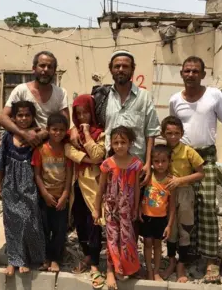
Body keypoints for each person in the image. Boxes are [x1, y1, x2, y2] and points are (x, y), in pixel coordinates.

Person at [168, 56, 222, 282]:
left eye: (196, 71)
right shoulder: (175, 100)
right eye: (187, 71)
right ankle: (189, 253)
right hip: (182, 159)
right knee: (185, 206)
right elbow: (172, 129)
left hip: (206, 158)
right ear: (182, 74)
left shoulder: (214, 95)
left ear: (203, 74)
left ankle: (211, 258)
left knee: (207, 208)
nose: (191, 74)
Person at [70, 50, 160, 186]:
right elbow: (87, 119)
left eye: (125, 66)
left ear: (133, 69)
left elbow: (151, 132)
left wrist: (148, 163)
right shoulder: (102, 97)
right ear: (111, 69)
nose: (121, 69)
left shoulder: (144, 96)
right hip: (109, 166)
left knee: (135, 205)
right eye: (117, 66)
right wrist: (74, 129)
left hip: (137, 168)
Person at [0, 101, 46, 276]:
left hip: (29, 184)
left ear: (33, 117)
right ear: (14, 118)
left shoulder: (37, 137)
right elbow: (0, 163)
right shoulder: (8, 137)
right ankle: (14, 260)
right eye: (20, 115)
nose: (23, 119)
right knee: (11, 222)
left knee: (29, 220)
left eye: (27, 115)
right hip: (10, 184)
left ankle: (31, 257)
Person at [93, 126, 143, 290]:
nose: (119, 146)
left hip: (127, 210)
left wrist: (136, 208)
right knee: (112, 238)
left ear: (130, 143)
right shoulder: (107, 164)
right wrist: (96, 209)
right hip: (111, 209)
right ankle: (110, 270)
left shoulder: (136, 164)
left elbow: (136, 188)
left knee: (127, 238)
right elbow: (100, 189)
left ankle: (127, 268)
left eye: (123, 142)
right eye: (116, 142)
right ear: (111, 144)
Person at [65, 94, 106, 288]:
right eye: (78, 114)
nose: (82, 118)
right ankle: (87, 255)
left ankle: (96, 263)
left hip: (93, 186)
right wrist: (88, 159)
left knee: (94, 222)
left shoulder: (100, 133)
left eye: (85, 113)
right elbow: (68, 151)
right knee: (80, 221)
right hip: (77, 184)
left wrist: (88, 134)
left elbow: (99, 154)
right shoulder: (71, 134)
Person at [159, 116, 205, 283]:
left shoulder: (188, 151)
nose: (172, 136)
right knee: (170, 230)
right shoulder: (161, 151)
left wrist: (180, 180)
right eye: (169, 133)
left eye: (176, 133)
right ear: (163, 134)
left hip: (185, 193)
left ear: (182, 133)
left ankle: (181, 265)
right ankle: (171, 261)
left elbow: (201, 172)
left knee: (185, 229)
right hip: (166, 194)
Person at [0, 51, 70, 148]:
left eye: (50, 67)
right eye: (42, 65)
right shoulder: (21, 90)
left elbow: (66, 123)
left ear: (54, 71)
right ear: (34, 68)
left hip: (50, 149)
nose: (45, 69)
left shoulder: (61, 93)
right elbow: (3, 118)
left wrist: (45, 132)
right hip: (23, 148)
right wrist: (24, 133)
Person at [32, 113, 73, 273]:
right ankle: (45, 258)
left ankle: (55, 258)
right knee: (43, 228)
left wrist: (65, 195)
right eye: (54, 129)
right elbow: (36, 174)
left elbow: (70, 173)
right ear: (48, 130)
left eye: (62, 130)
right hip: (45, 197)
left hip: (61, 197)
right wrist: (44, 194)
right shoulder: (40, 150)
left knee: (59, 229)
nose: (58, 133)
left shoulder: (66, 150)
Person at [139, 144, 176, 281]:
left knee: (158, 245)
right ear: (152, 162)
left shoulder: (171, 180)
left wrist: (169, 225)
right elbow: (140, 194)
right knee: (147, 243)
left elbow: (172, 206)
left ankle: (156, 271)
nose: (160, 165)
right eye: (156, 161)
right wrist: (138, 210)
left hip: (161, 218)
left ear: (169, 161)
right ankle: (149, 270)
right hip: (146, 217)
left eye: (163, 161)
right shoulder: (148, 176)